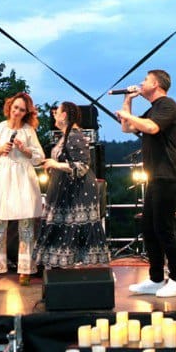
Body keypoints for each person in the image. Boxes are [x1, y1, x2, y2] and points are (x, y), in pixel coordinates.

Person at [117, 69, 176, 297]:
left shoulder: (167, 105)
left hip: (168, 176)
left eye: (146, 80)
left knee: (164, 229)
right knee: (149, 229)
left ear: (156, 84)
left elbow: (152, 127)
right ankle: (156, 278)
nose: (141, 83)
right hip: (155, 177)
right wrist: (127, 101)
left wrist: (127, 115)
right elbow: (127, 127)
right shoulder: (152, 109)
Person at [0, 92, 45, 286]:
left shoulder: (28, 131)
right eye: (15, 108)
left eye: (22, 110)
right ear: (10, 107)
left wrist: (25, 149)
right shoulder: (0, 127)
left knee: (26, 224)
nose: (17, 112)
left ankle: (25, 269)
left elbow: (39, 156)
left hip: (24, 177)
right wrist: (0, 150)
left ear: (26, 113)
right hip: (4, 176)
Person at [38, 101, 109, 269]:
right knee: (63, 227)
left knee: (73, 227)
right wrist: (53, 164)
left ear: (64, 115)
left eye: (57, 112)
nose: (54, 114)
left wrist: (55, 164)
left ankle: (72, 270)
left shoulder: (75, 136)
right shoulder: (66, 135)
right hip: (65, 188)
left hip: (77, 190)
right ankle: (63, 267)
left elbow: (82, 166)